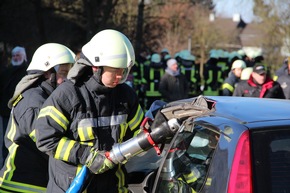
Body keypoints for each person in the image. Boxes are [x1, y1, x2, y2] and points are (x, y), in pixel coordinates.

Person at [34, 29, 144, 193]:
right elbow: (45, 138)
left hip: (114, 187)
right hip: (73, 187)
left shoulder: (126, 95)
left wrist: (153, 130)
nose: (120, 77)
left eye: (124, 71)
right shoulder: (68, 95)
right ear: (95, 67)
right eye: (115, 70)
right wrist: (87, 156)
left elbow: (138, 132)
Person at [0, 43, 75, 193]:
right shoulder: (33, 101)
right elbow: (47, 139)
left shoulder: (50, 97)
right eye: (63, 73)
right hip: (22, 185)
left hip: (40, 182)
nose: (68, 80)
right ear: (48, 73)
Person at [0, 46, 28, 167]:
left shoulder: (26, 72)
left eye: (18, 55)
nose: (16, 58)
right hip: (6, 112)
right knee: (6, 139)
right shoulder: (6, 72)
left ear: (24, 56)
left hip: (22, 111)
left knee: (20, 139)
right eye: (14, 55)